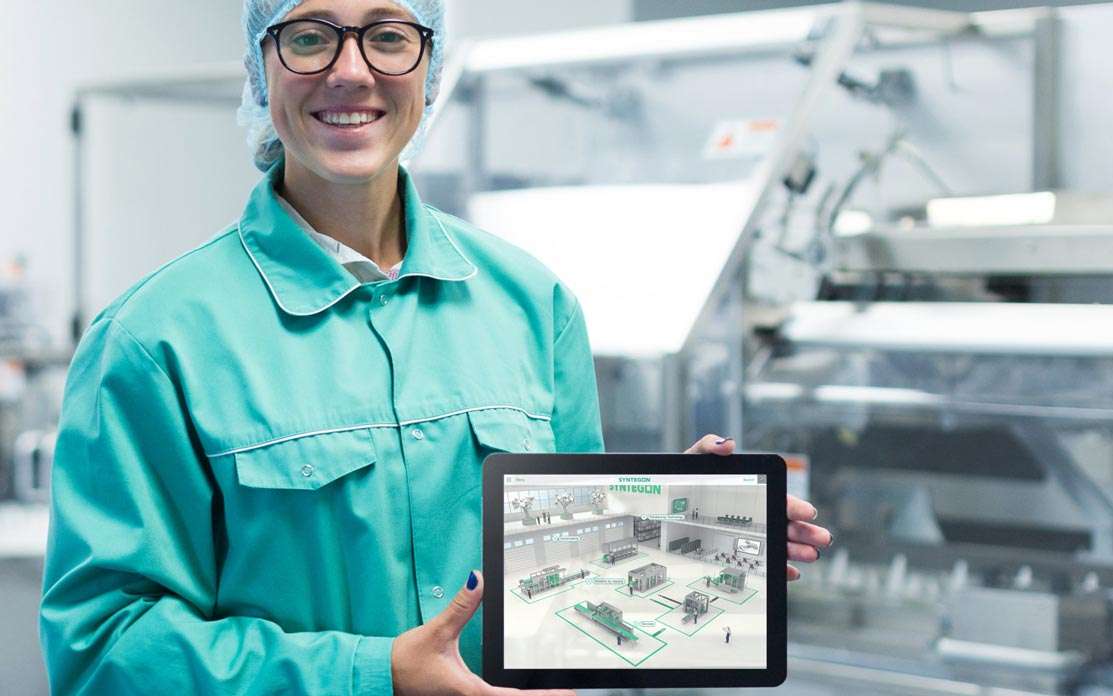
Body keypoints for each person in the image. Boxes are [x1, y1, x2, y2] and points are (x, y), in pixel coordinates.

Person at [38, 0, 833, 693]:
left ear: (429, 62)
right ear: (261, 66)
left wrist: (670, 528)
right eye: (309, 38)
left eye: (388, 36)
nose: (351, 72)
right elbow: (104, 651)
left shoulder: (530, 302)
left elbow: (559, 604)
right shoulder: (154, 340)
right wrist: (373, 676)